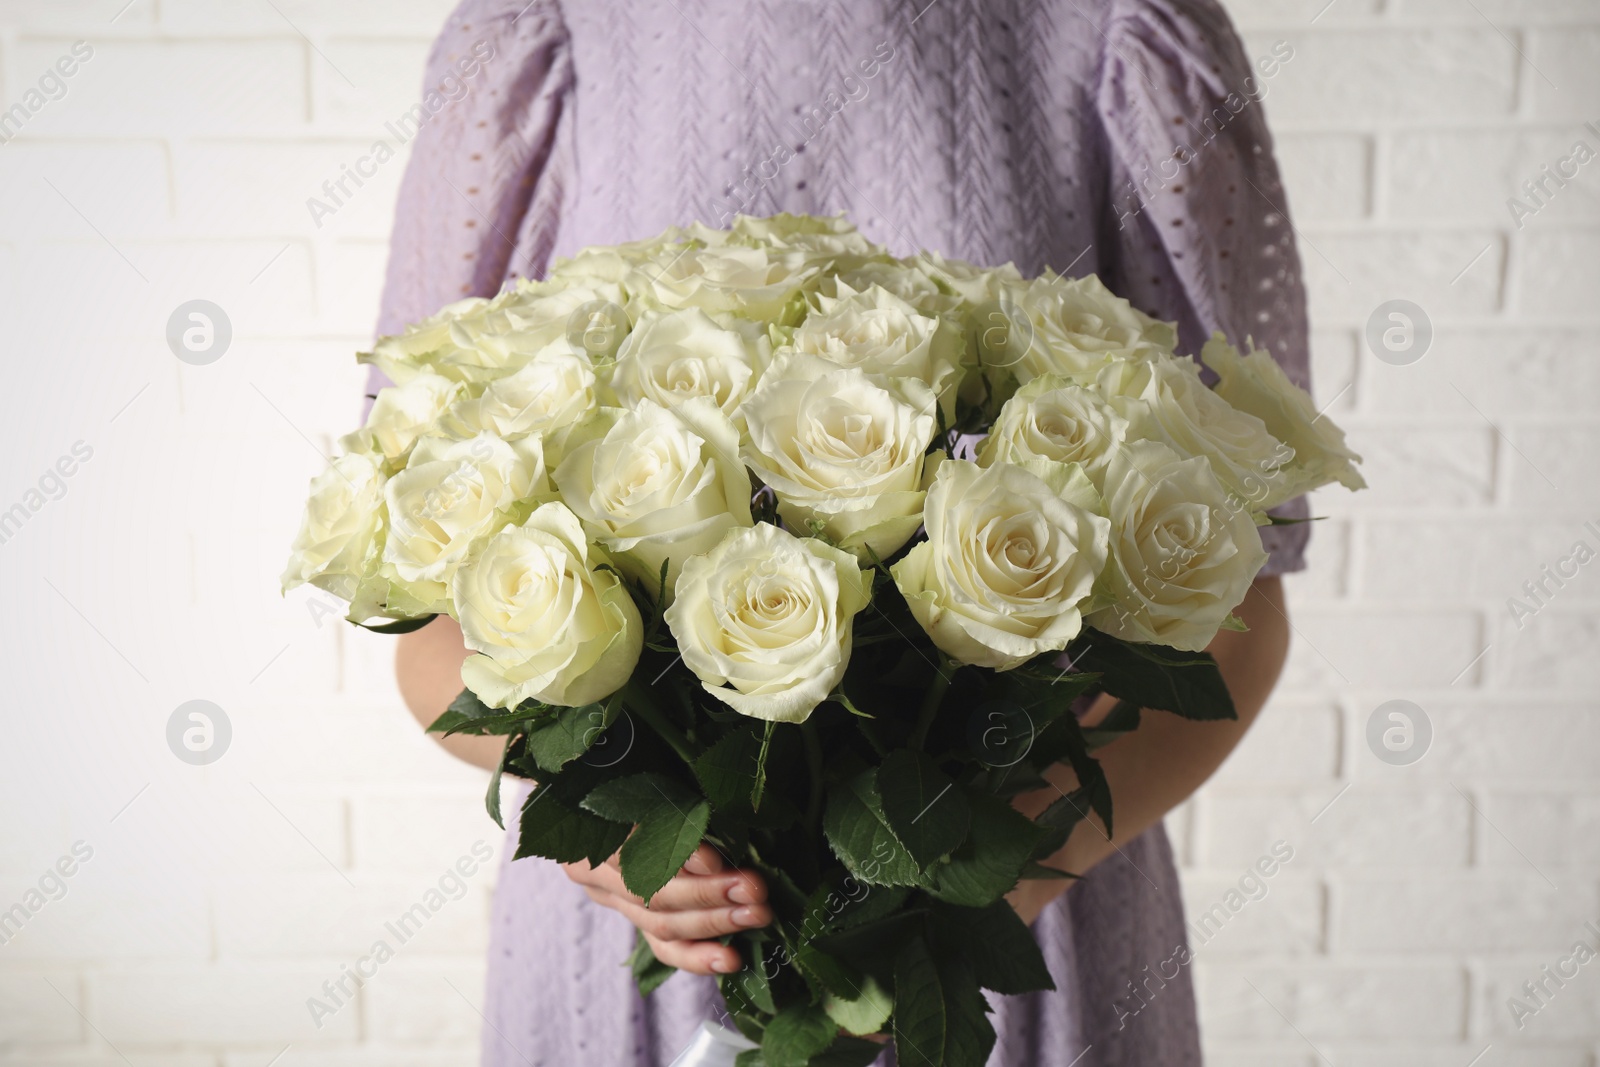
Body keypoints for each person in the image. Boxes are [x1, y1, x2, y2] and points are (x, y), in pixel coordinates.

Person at [377, 1, 1312, 1063]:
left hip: (1017, 904)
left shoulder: (1127, 34)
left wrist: (1020, 856)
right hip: (642, 939)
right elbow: (426, 616)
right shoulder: (539, 39)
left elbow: (1243, 595)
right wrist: (613, 839)